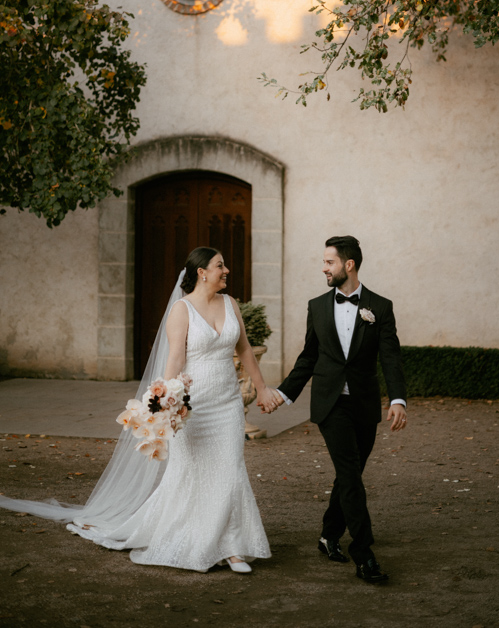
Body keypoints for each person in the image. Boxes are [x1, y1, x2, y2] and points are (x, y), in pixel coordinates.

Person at [0, 247, 279, 574]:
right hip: (194, 405)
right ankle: (198, 540)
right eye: (220, 265)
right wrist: (165, 403)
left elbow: (244, 348)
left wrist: (261, 388)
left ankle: (232, 547)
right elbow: (174, 360)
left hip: (228, 402)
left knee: (230, 470)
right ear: (202, 272)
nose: (226, 270)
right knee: (191, 474)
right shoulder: (182, 309)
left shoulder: (230, 304)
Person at [269, 235, 407, 584]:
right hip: (330, 404)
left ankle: (329, 534)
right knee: (349, 474)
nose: (323, 267)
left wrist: (397, 399)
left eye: (328, 262)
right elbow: (309, 357)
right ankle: (364, 553)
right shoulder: (316, 306)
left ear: (349, 265)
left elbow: (390, 357)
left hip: (363, 404)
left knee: (350, 475)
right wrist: (283, 395)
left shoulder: (381, 306)